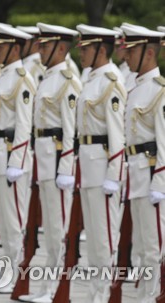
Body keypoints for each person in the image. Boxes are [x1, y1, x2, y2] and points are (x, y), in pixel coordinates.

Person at [19, 23, 82, 303]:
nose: (39, 49)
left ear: (59, 47)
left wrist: (66, 167)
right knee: (50, 227)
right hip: (43, 158)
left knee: (58, 228)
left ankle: (56, 288)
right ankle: (46, 287)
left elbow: (71, 129)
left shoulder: (68, 80)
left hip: (57, 159)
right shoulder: (48, 77)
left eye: (44, 45)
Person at [76, 24, 127, 302]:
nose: (80, 53)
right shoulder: (93, 79)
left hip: (103, 169)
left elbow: (116, 133)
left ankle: (105, 295)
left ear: (101, 50)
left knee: (105, 239)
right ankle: (96, 294)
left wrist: (114, 174)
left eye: (85, 48)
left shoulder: (110, 82)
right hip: (88, 166)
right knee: (94, 239)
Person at [0, 24, 36, 294]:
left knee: (14, 223)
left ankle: (20, 278)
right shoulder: (3, 76)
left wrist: (16, 161)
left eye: (1, 46)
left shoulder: (21, 78)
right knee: (3, 223)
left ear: (14, 48)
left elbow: (24, 124)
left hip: (10, 156)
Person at [121, 23, 165, 303]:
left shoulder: (159, 91)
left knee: (153, 247)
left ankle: (153, 296)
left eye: (131, 51)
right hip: (136, 174)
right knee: (140, 244)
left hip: (152, 178)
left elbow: (164, 141)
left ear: (148, 53)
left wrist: (160, 181)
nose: (125, 56)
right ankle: (144, 295)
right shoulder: (137, 88)